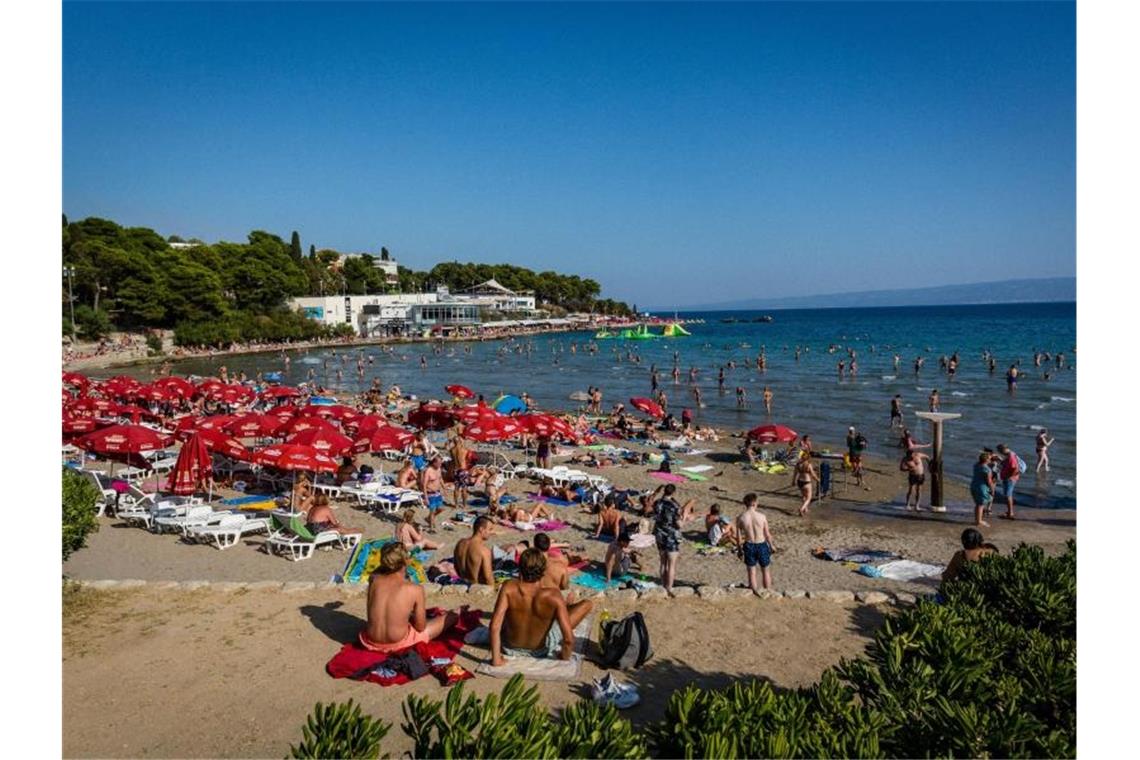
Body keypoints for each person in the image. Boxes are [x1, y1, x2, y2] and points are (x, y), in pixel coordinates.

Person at [489, 548, 593, 664]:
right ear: (544, 570)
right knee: (587, 604)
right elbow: (568, 639)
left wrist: (496, 659)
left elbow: (495, 626)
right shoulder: (554, 595)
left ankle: (564, 608)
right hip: (539, 651)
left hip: (509, 647)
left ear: (520, 568)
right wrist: (564, 657)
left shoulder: (508, 587)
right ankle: (564, 608)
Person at [360, 542, 459, 653]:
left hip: (370, 640)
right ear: (406, 561)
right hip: (398, 643)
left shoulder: (374, 580)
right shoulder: (415, 589)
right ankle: (458, 612)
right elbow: (420, 627)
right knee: (453, 615)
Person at [735, 493, 776, 594]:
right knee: (765, 571)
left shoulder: (741, 517)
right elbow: (767, 534)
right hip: (761, 544)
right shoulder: (762, 516)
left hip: (749, 544)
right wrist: (771, 546)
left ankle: (754, 592)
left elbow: (738, 536)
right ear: (754, 503)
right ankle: (768, 591)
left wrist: (739, 549)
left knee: (752, 572)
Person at [653, 483, 683, 595]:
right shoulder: (674, 506)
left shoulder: (657, 503)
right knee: (671, 565)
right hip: (671, 535)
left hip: (659, 534)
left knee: (663, 562)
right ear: (673, 492)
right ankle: (669, 588)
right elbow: (679, 524)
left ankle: (662, 584)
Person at [454, 516, 495, 585]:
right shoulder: (484, 550)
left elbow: (456, 566)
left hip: (461, 584)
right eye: (490, 529)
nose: (491, 532)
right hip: (475, 587)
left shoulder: (460, 543)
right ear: (481, 529)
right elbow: (488, 578)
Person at [996, 444, 1021, 520]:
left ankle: (1010, 513)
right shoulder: (1011, 454)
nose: (1000, 453)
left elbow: (1015, 469)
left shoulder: (1011, 457)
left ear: (1003, 449)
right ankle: (1009, 511)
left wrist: (1008, 476)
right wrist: (1000, 460)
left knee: (1008, 496)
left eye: (1000, 451)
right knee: (1008, 495)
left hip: (1010, 479)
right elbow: (1007, 464)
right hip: (1010, 478)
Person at [969, 451, 994, 527]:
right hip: (981, 488)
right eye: (989, 459)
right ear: (986, 460)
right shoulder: (987, 470)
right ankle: (979, 521)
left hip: (974, 485)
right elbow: (989, 481)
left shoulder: (976, 465)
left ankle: (977, 520)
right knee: (980, 505)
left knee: (978, 504)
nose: (991, 460)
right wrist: (992, 490)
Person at [420, 455, 446, 530]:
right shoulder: (428, 471)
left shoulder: (439, 469)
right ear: (434, 463)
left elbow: (440, 478)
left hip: (437, 492)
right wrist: (426, 498)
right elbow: (424, 485)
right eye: (439, 463)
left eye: (441, 463)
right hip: (430, 493)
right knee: (432, 511)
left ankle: (428, 518)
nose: (440, 464)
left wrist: (444, 488)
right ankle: (431, 528)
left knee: (441, 509)